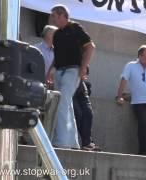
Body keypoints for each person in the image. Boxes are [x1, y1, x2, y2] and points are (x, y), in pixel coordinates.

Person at [47, 4, 95, 149]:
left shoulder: (75, 28)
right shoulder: (57, 34)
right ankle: (72, 142)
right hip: (60, 71)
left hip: (73, 70)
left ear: (62, 15)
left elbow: (90, 47)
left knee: (62, 103)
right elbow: (58, 55)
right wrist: (50, 70)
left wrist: (83, 67)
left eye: (54, 16)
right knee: (65, 104)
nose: (52, 19)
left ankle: (61, 141)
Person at [116, 45, 146, 156]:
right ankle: (143, 152)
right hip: (139, 102)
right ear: (140, 56)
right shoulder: (131, 66)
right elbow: (124, 79)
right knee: (144, 125)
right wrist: (119, 96)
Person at [73, 66, 100, 151]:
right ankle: (74, 141)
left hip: (80, 83)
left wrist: (83, 70)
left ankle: (87, 142)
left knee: (88, 112)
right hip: (70, 79)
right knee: (77, 113)